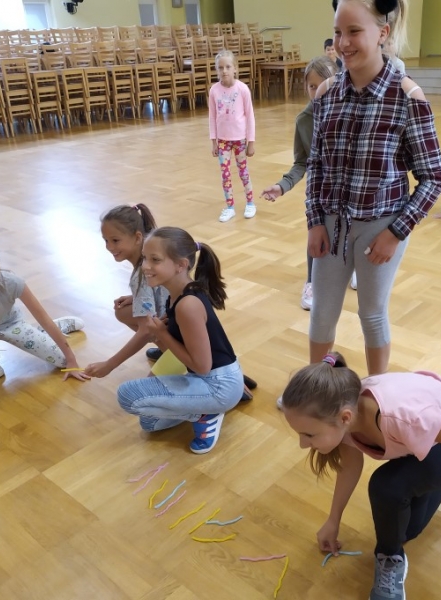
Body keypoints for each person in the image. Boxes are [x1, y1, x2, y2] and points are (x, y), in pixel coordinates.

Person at [281, 353, 441, 600]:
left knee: (387, 487)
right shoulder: (343, 413)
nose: (302, 444)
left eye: (309, 435)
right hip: (431, 436)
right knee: (406, 527)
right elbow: (350, 467)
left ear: (345, 418)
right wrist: (333, 520)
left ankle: (391, 556)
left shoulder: (399, 417)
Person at [308, 0, 441, 376]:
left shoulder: (407, 98)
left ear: (382, 33)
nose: (343, 43)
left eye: (354, 31)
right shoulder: (326, 94)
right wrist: (315, 221)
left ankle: (377, 392)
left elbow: (433, 177)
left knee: (371, 313)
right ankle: (316, 391)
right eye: (338, 32)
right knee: (322, 312)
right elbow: (316, 164)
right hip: (331, 225)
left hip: (381, 227)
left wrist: (395, 233)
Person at [116, 227, 244, 454]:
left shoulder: (187, 305)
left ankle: (206, 413)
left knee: (128, 395)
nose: (145, 266)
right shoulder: (177, 293)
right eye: (145, 258)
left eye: (155, 260)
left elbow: (203, 367)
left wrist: (162, 334)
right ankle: (210, 405)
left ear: (181, 265)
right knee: (149, 422)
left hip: (217, 384)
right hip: (211, 379)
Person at [0, 239, 88, 438]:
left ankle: (55, 328)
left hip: (11, 323)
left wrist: (72, 360)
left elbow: (43, 317)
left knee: (62, 361)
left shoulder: (12, 282)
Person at [260, 56, 339, 311]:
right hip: (319, 192)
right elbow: (301, 162)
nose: (317, 92)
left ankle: (354, 271)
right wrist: (282, 186)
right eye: (312, 86)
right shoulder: (304, 120)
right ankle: (312, 281)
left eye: (324, 84)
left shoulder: (349, 111)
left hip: (349, 190)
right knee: (317, 234)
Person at [84, 204, 167, 378]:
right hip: (187, 327)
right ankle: (168, 349)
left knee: (139, 392)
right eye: (106, 240)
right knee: (123, 311)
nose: (109, 247)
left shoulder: (141, 274)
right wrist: (136, 297)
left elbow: (145, 331)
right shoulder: (156, 255)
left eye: (115, 240)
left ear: (137, 237)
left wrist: (109, 364)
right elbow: (163, 290)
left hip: (186, 341)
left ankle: (172, 353)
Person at [209, 50, 256, 223]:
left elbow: (250, 116)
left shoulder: (242, 89)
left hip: (240, 140)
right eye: (220, 68)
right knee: (225, 174)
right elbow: (212, 117)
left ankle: (250, 203)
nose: (224, 71)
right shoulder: (214, 90)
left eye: (228, 67)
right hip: (223, 141)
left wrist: (251, 142)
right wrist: (213, 141)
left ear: (235, 68)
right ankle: (230, 207)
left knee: (243, 172)